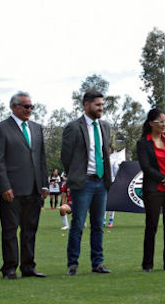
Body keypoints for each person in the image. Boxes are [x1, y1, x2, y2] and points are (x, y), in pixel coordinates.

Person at [0, 91, 48, 279]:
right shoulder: (1, 129)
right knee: (9, 230)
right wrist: (5, 186)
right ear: (14, 107)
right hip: (12, 190)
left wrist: (44, 184)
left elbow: (41, 158)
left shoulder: (37, 128)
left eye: (32, 106)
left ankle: (28, 267)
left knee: (30, 229)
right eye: (26, 106)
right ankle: (9, 268)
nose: (30, 110)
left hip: (34, 189)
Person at [61, 90, 113, 276]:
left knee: (99, 225)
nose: (101, 108)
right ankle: (73, 264)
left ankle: (97, 263)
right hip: (83, 183)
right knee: (78, 224)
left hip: (101, 183)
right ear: (86, 105)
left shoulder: (105, 126)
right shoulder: (73, 127)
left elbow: (106, 153)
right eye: (97, 104)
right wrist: (76, 176)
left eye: (102, 104)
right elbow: (66, 157)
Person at [136, 108, 165, 272]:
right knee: (152, 225)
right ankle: (147, 264)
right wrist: (164, 179)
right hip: (153, 189)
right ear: (151, 123)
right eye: (160, 121)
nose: (164, 124)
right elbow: (146, 167)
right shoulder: (143, 143)